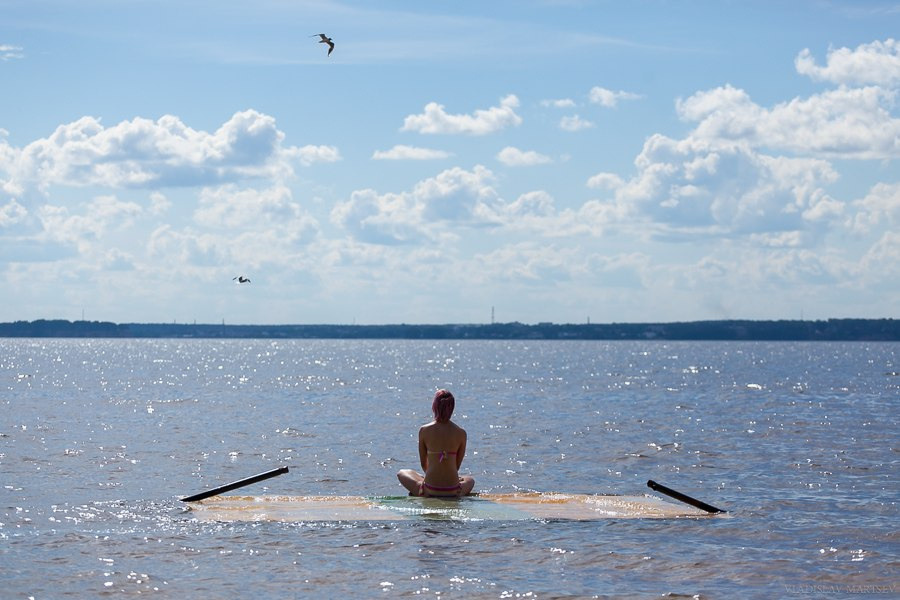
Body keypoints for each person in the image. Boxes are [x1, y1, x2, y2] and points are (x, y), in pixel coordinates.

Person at [397, 389, 476, 498]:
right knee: (470, 480)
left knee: (402, 473)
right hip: (453, 491)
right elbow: (456, 466)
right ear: (452, 408)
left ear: (435, 406)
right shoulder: (461, 433)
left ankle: (423, 487)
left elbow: (423, 465)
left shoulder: (424, 430)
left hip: (429, 490)